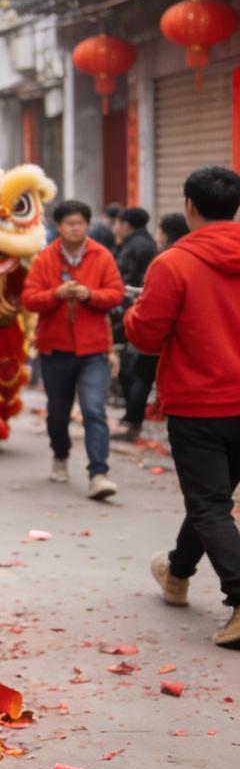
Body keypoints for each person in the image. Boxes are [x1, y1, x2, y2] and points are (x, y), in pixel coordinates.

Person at [125, 166, 240, 650]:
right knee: (210, 497)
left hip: (201, 404)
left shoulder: (174, 264)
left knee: (209, 502)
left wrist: (133, 313)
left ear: (190, 207)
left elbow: (146, 334)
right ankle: (176, 573)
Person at [22, 199, 124, 499]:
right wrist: (56, 294)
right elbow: (29, 298)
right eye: (70, 223)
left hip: (94, 349)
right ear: (59, 226)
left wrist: (89, 294)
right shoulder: (46, 259)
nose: (76, 228)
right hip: (55, 348)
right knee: (57, 412)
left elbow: (116, 294)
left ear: (87, 225)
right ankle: (60, 455)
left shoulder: (101, 256)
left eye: (80, 223)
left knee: (94, 409)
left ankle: (99, 473)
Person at [112, 207, 159, 441]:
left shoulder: (133, 247)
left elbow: (124, 281)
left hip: (134, 314)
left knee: (136, 371)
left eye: (118, 223)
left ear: (126, 224)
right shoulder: (148, 245)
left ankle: (132, 419)